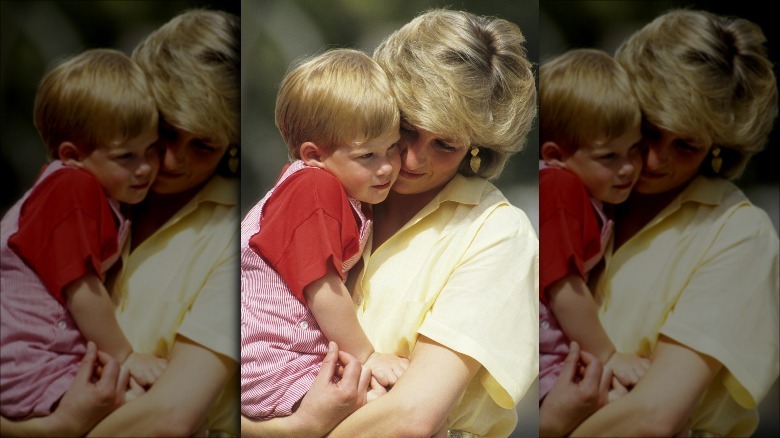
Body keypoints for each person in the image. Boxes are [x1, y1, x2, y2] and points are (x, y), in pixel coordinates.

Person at [243, 8, 539, 437]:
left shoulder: (498, 234)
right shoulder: (331, 191)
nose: (414, 159)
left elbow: (411, 418)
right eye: (407, 129)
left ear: (477, 147)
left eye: (446, 144)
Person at [563, 9, 779, 437]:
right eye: (648, 129)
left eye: (686, 145)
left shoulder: (740, 234)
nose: (657, 159)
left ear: (718, 146)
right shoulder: (576, 190)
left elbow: (654, 417)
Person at [81, 9, 241, 436]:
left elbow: (170, 416)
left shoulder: (239, 232)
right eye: (165, 130)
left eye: (203, 145)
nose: (171, 160)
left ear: (232, 146)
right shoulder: (84, 186)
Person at [240, 48, 407, 420]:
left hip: (288, 359)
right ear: (314, 155)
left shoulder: (336, 189)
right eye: (367, 156)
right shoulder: (313, 189)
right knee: (389, 414)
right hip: (269, 364)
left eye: (393, 148)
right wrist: (368, 357)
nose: (386, 168)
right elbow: (323, 290)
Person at [0, 48, 165, 421]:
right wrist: (126, 356)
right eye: (126, 156)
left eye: (151, 149)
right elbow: (82, 290)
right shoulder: (71, 189)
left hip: (46, 359)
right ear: (72, 154)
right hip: (28, 364)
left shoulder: (89, 188)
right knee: (147, 415)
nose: (145, 168)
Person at [537, 48, 649, 402]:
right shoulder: (559, 186)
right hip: (545, 361)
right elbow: (563, 286)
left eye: (635, 149)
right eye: (609, 156)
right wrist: (609, 355)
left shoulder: (590, 193)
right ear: (555, 156)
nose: (629, 166)